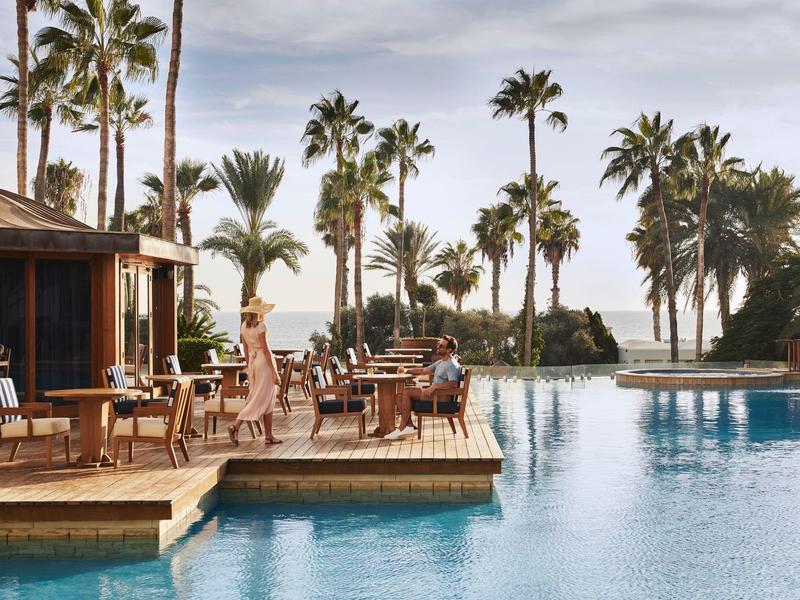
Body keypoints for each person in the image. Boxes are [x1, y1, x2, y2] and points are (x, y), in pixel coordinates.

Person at [228, 296, 282, 446]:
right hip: (264, 364)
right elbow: (266, 350)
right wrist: (275, 373)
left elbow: (245, 349)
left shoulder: (243, 326)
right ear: (260, 311)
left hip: (253, 362)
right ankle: (235, 426)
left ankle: (268, 436)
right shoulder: (262, 325)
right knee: (258, 398)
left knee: (266, 398)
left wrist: (249, 366)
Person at [384, 335, 461, 440]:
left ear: (449, 350)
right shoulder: (441, 361)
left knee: (407, 392)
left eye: (441, 346)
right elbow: (423, 371)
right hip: (434, 394)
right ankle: (409, 426)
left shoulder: (451, 365)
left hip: (440, 397)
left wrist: (435, 387)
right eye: (439, 344)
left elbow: (453, 384)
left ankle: (401, 428)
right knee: (398, 397)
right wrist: (406, 370)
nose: (438, 347)